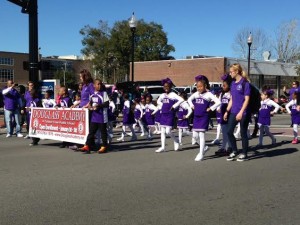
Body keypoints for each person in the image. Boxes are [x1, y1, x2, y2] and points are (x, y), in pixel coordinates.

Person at [188, 75, 220, 161]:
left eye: (201, 86)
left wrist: (211, 108)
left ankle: (201, 153)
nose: (199, 88)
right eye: (197, 87)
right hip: (196, 117)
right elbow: (189, 99)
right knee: (195, 136)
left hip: (204, 117)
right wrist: (191, 106)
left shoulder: (209, 94)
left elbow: (218, 102)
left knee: (201, 135)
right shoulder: (196, 94)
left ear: (205, 86)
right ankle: (205, 147)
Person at [224, 63, 251, 162]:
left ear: (236, 72)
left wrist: (241, 112)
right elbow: (232, 99)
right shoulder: (232, 84)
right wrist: (227, 111)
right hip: (233, 111)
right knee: (229, 131)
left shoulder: (245, 83)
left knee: (243, 133)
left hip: (243, 112)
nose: (230, 74)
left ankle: (244, 153)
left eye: (231, 72)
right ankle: (235, 151)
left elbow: (247, 100)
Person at [79, 79, 109, 154]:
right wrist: (89, 106)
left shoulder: (104, 93)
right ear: (94, 85)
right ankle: (87, 146)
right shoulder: (92, 94)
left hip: (102, 116)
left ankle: (104, 146)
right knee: (91, 132)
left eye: (100, 84)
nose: (99, 85)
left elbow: (107, 104)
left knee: (103, 132)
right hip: (94, 116)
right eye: (98, 84)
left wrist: (99, 106)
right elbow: (91, 102)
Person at [155, 78, 183, 153]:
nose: (166, 88)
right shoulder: (162, 95)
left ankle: (176, 140)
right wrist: (162, 105)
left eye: (167, 86)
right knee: (162, 131)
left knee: (168, 131)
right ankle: (163, 147)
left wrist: (174, 106)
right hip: (163, 114)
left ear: (170, 87)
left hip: (170, 114)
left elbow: (181, 100)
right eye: (165, 86)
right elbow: (158, 101)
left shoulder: (173, 94)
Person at [215, 74, 232, 156]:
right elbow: (219, 103)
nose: (223, 87)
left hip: (229, 115)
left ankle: (230, 147)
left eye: (224, 85)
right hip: (222, 115)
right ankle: (224, 147)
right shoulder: (222, 94)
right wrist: (218, 108)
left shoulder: (232, 94)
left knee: (229, 133)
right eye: (222, 85)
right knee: (224, 133)